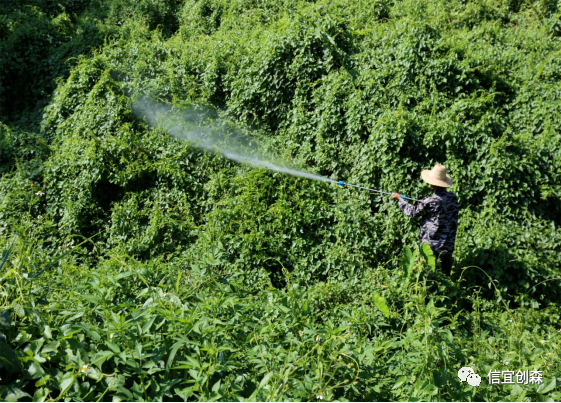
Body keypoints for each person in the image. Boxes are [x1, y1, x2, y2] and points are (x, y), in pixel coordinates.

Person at [390, 164, 459, 276]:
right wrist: (425, 202)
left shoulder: (429, 202)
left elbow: (412, 212)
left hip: (432, 245)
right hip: (448, 243)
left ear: (432, 184)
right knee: (446, 274)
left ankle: (429, 292)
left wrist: (399, 200)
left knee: (430, 274)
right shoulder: (453, 198)